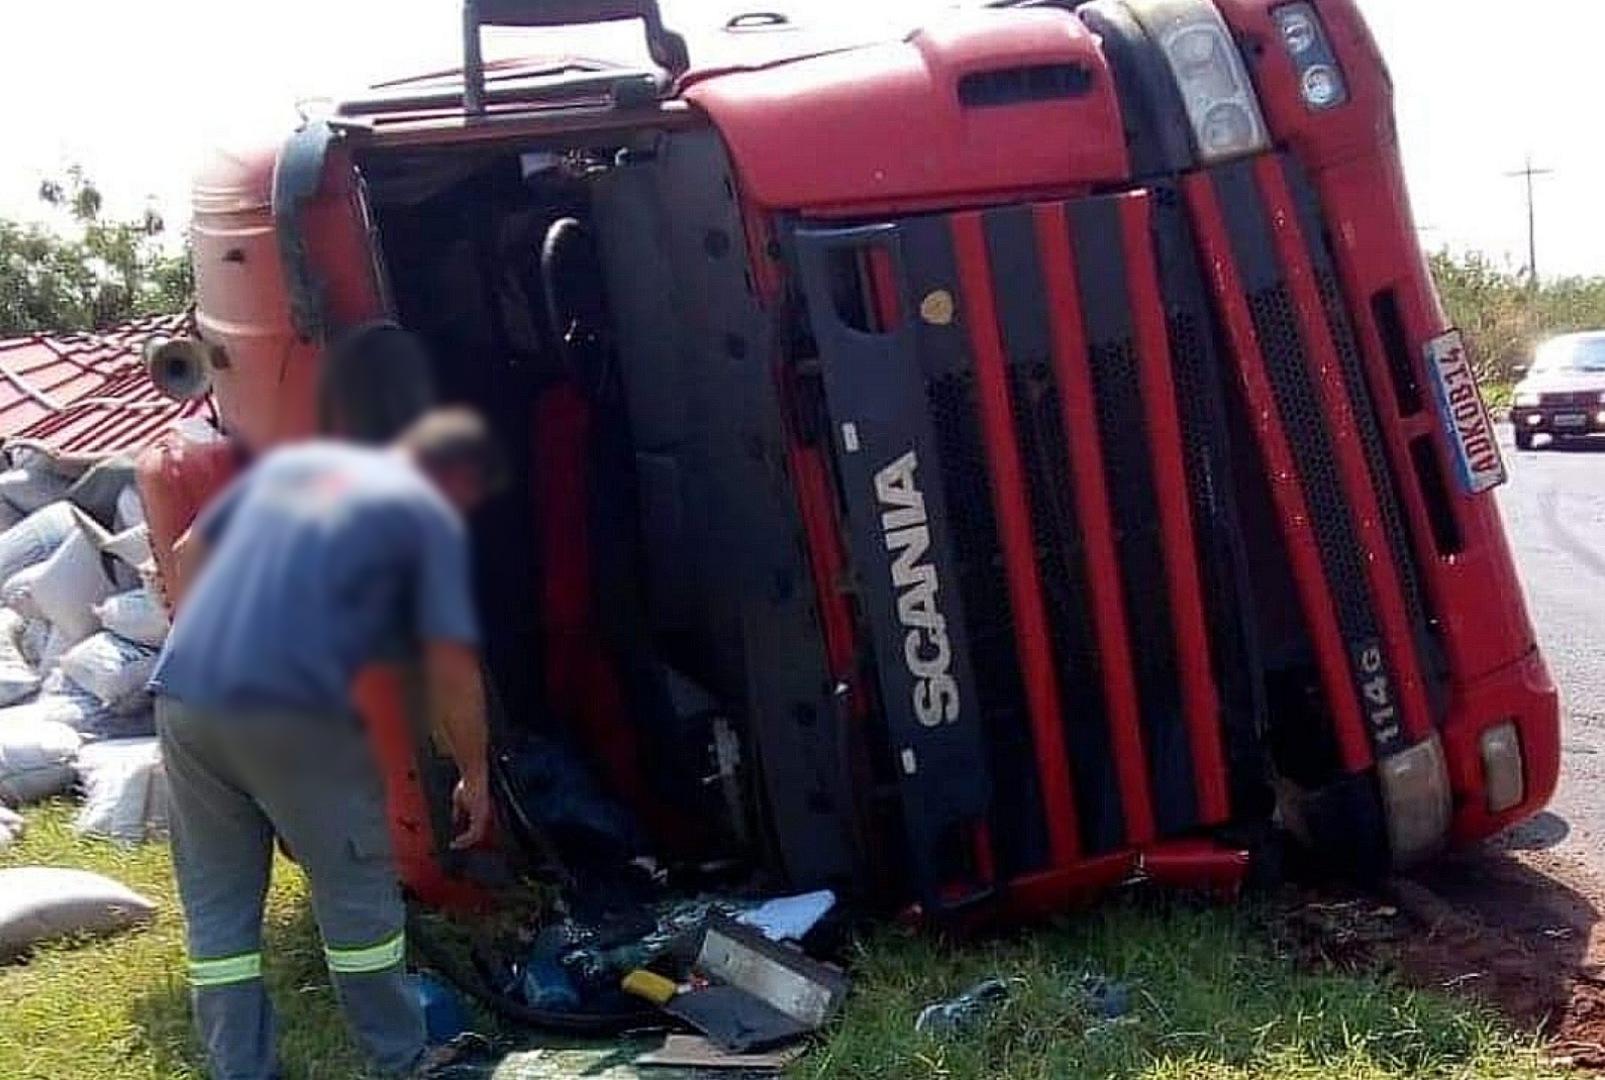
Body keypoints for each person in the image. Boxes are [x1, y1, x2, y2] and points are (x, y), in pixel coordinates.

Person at [149, 407, 507, 1079]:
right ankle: (402, 1061)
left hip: (186, 698)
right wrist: (474, 774)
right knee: (356, 891)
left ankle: (241, 1069)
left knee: (219, 910)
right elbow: (451, 671)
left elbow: (185, 553)